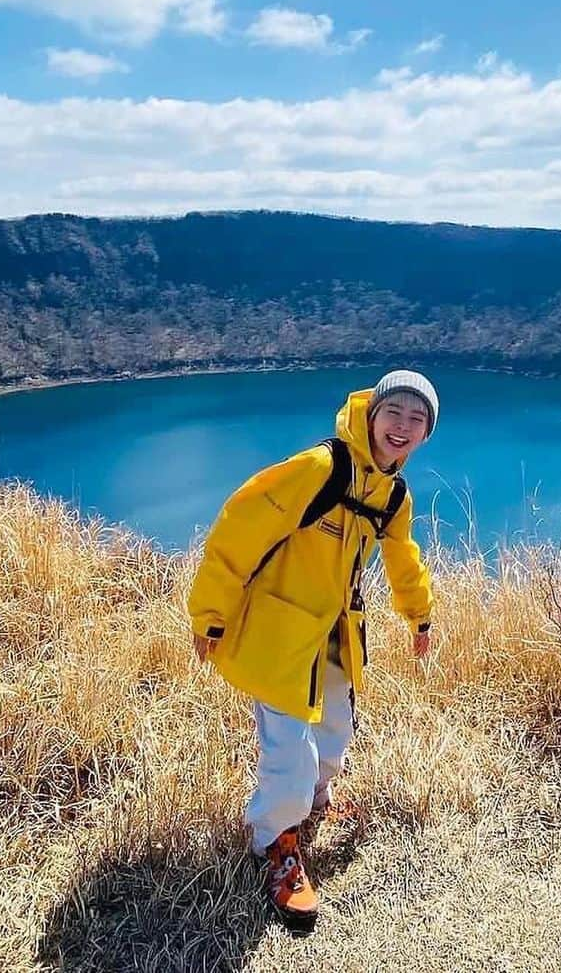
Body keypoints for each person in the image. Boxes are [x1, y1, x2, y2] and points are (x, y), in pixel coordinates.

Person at [187, 370, 437, 930]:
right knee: (288, 752)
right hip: (279, 632)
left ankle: (314, 801)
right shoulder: (321, 469)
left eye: (416, 419)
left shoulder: (392, 494)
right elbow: (240, 527)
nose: (402, 426)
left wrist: (419, 615)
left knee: (334, 732)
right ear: (370, 413)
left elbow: (402, 558)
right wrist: (210, 613)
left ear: (425, 435)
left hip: (334, 631)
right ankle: (276, 843)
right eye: (393, 411)